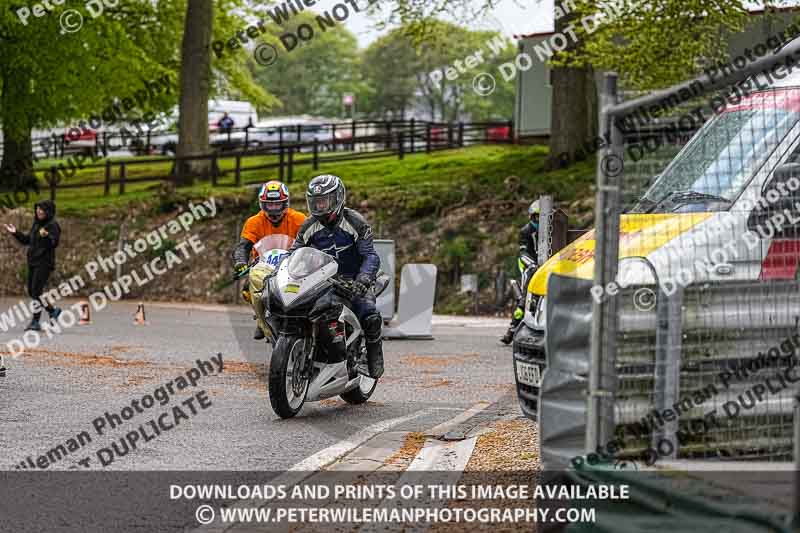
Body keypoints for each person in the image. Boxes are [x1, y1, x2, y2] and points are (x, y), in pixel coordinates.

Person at [287, 174, 384, 379]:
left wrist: (364, 279)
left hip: (354, 278)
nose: (320, 207)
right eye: (315, 202)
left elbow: (370, 255)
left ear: (338, 198)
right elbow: (293, 253)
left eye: (324, 202)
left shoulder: (355, 222)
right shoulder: (308, 225)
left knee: (369, 313)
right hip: (322, 279)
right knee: (300, 307)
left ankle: (374, 358)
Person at [233, 180, 306, 339]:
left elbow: (311, 241)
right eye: (269, 205)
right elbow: (243, 246)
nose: (273, 209)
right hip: (263, 267)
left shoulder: (299, 219)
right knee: (247, 290)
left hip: (292, 266)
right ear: (262, 204)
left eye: (277, 204)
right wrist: (240, 261)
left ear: (285, 203)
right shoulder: (253, 222)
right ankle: (261, 319)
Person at [4, 200, 63, 332]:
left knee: (36, 291)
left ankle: (35, 321)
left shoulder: (53, 225)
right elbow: (27, 240)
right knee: (32, 291)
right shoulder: (36, 224)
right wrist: (15, 232)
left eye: (42, 209)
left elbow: (54, 242)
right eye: (37, 209)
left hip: (44, 263)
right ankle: (53, 311)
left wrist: (47, 235)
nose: (39, 211)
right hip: (33, 262)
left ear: (48, 211)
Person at [501, 200, 540, 345]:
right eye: (536, 217)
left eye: (543, 217)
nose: (539, 220)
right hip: (527, 264)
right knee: (524, 300)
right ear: (531, 217)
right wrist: (532, 265)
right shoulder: (525, 231)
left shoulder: (553, 229)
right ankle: (511, 330)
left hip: (544, 265)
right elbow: (522, 252)